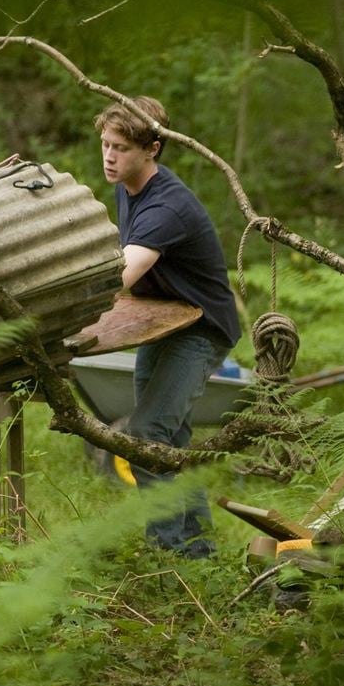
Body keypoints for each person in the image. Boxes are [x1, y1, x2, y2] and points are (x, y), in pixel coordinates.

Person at [94, 96, 241, 559]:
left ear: (152, 149)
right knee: (170, 439)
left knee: (148, 434)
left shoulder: (168, 208)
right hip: (163, 318)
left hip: (201, 327)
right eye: (104, 145)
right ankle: (198, 551)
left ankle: (168, 553)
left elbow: (119, 276)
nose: (109, 157)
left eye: (120, 148)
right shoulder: (126, 186)